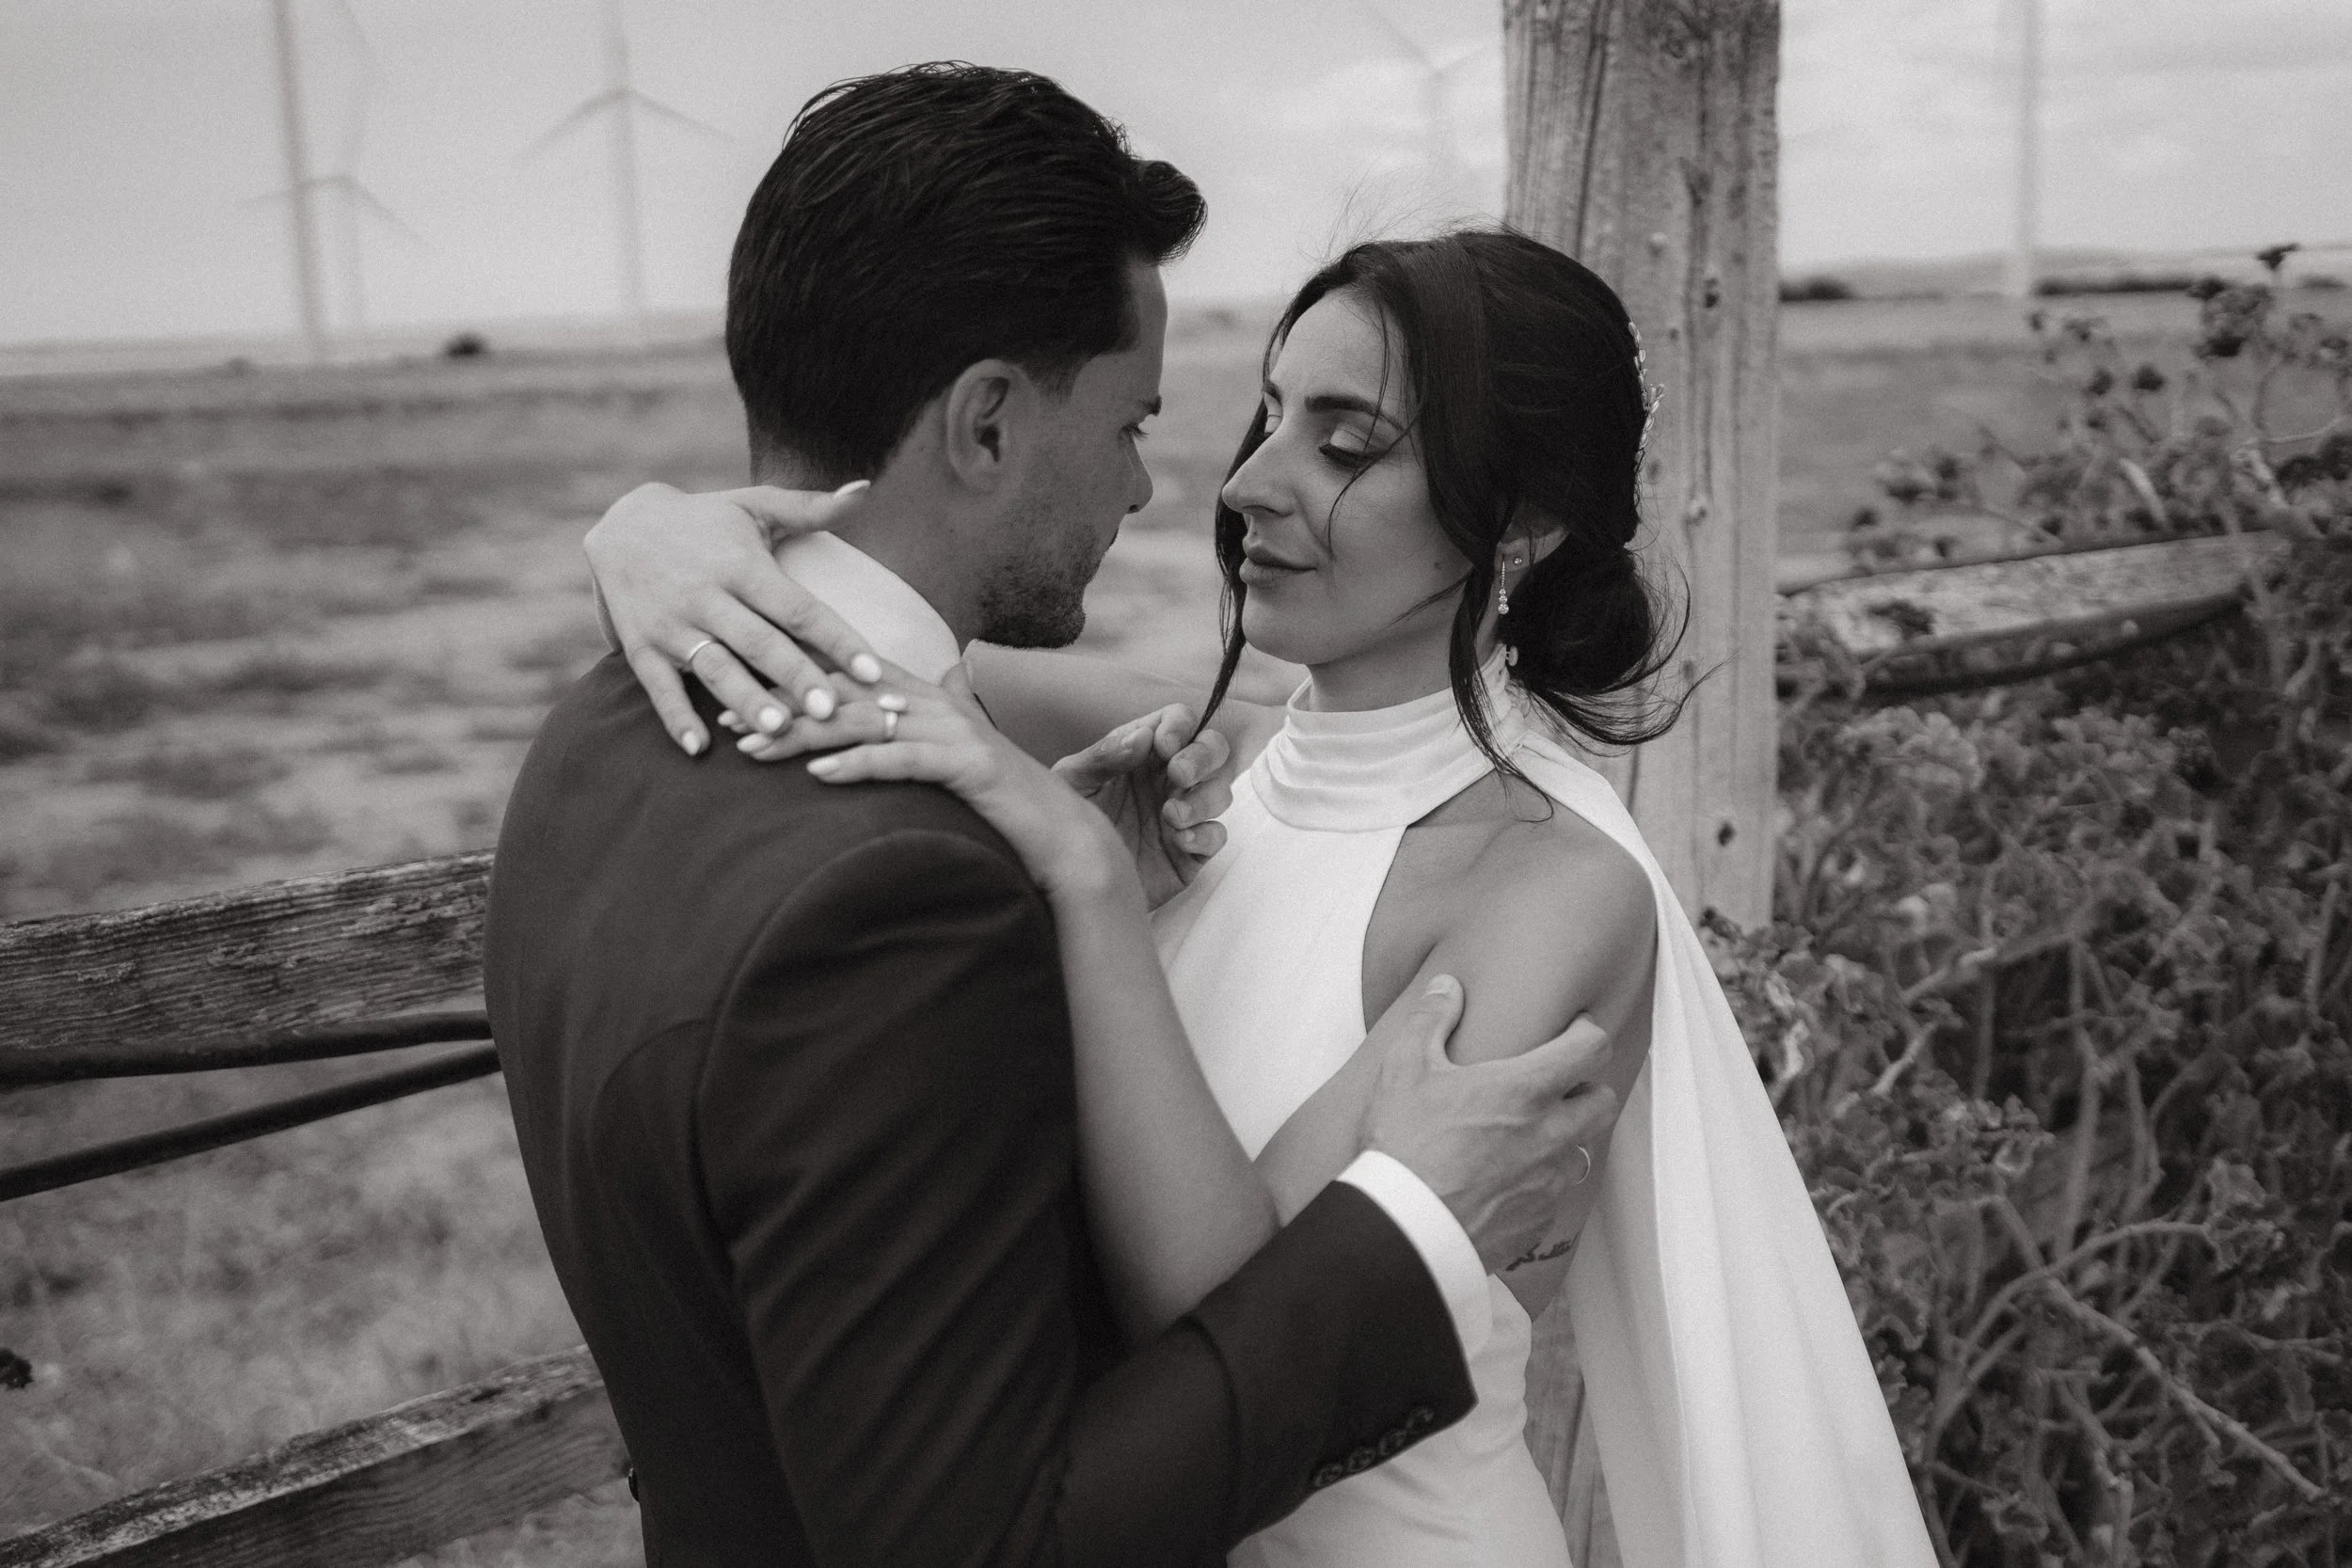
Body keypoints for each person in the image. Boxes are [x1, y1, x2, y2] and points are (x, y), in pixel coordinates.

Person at [585, 223, 1945, 1564]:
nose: (1251, 484)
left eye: (1347, 444)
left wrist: (1081, 881)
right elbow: (865, 629)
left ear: (1519, 524)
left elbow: (1234, 1322)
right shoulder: (1197, 761)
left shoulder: (1548, 896)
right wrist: (648, 532)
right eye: (1273, 414)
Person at [486, 65, 1624, 1568]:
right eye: (1135, 419)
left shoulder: (594, 738)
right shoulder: (895, 898)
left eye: (1339, 438)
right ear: (985, 423)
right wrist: (1409, 1221)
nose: (1175, 485)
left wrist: (644, 523)